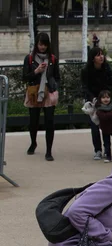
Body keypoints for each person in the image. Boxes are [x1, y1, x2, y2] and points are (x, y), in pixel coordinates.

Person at [22, 32, 60, 161]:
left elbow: (57, 77)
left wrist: (55, 88)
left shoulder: (53, 59)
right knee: (34, 122)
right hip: (34, 92)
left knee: (49, 122)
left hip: (48, 92)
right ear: (36, 44)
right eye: (40, 44)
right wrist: (36, 71)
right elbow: (24, 77)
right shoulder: (29, 59)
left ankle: (49, 151)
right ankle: (33, 142)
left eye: (44, 45)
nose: (42, 47)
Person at [81, 47, 112, 160]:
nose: (101, 57)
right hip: (93, 99)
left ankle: (109, 149)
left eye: (102, 54)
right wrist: (93, 99)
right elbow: (85, 87)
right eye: (98, 55)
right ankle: (98, 150)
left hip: (106, 98)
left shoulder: (106, 67)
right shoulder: (86, 70)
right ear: (92, 58)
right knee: (95, 125)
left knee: (109, 123)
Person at [95, 89, 112, 163]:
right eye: (103, 98)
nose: (106, 99)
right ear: (100, 99)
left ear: (110, 98)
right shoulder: (99, 108)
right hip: (105, 129)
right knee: (107, 144)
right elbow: (103, 117)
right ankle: (108, 156)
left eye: (107, 97)